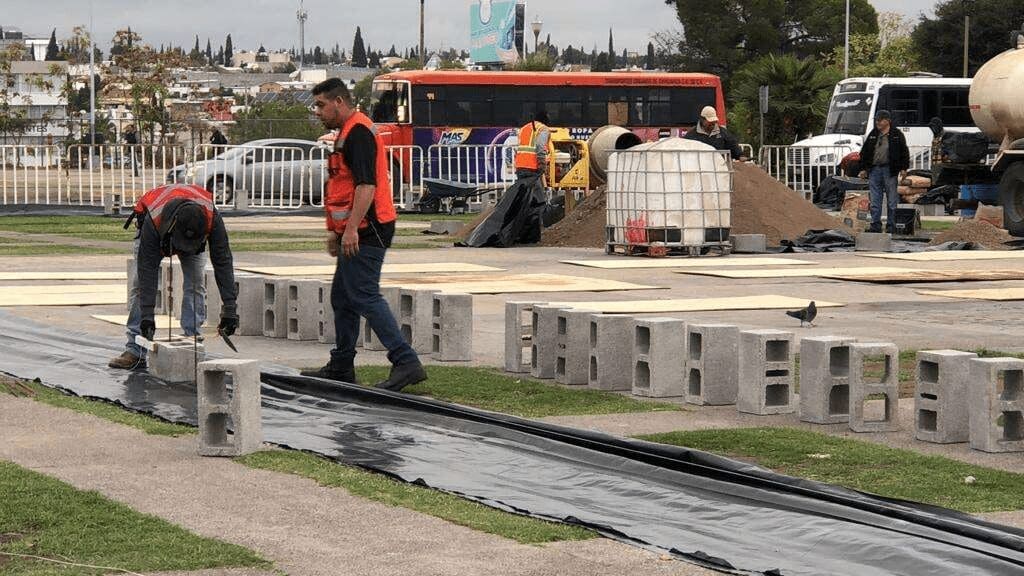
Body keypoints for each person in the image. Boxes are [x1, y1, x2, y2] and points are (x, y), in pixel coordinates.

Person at [303, 77, 426, 392]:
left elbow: (366, 186)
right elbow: (342, 186)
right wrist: (336, 231)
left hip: (369, 228)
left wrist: (350, 230)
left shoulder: (358, 133)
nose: (317, 111)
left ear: (339, 102)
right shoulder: (347, 132)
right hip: (357, 228)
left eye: (320, 105)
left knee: (363, 295)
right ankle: (342, 365)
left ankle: (406, 361)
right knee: (342, 297)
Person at [108, 183, 239, 370]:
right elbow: (147, 274)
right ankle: (135, 350)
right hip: (156, 233)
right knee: (140, 288)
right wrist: (147, 317)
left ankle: (192, 346)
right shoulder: (153, 221)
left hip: (193, 234)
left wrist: (230, 309)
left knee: (195, 283)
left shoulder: (211, 217)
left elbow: (223, 262)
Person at [858, 110, 910, 234]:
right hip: (874, 170)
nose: (877, 122)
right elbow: (864, 152)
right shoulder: (873, 134)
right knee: (875, 200)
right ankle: (875, 225)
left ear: (887, 121)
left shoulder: (897, 134)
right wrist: (863, 168)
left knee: (892, 200)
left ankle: (891, 225)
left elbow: (904, 152)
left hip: (890, 170)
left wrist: (904, 168)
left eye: (880, 120)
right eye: (876, 120)